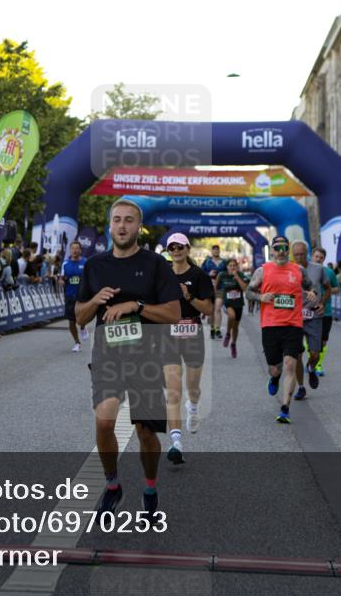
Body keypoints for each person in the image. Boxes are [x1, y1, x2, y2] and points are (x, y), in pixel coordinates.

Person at [75, 199, 180, 521]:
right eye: (117, 220)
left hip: (146, 359)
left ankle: (149, 486)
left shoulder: (155, 265)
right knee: (104, 421)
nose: (122, 226)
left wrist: (136, 305)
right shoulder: (94, 266)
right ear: (110, 225)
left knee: (145, 433)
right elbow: (80, 317)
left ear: (139, 226)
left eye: (129, 220)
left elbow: (173, 313)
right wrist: (94, 300)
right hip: (108, 357)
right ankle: (112, 485)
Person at [244, 236, 315, 423]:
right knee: (275, 369)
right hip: (270, 326)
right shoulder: (262, 271)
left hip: (293, 325)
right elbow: (248, 292)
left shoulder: (298, 270)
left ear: (288, 249)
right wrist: (261, 297)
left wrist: (313, 294)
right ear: (272, 250)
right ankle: (274, 379)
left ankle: (285, 408)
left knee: (291, 364)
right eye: (277, 248)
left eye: (284, 247)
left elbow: (311, 286)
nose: (281, 251)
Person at [162, 233, 214, 464]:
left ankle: (193, 407)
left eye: (180, 246)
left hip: (193, 334)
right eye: (172, 247)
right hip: (169, 336)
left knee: (192, 387)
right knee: (173, 390)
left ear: (187, 248)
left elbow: (209, 309)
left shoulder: (198, 275)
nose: (176, 250)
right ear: (168, 250)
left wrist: (189, 297)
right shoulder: (162, 275)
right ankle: (175, 442)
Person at [291, 240, 328, 399]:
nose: (299, 257)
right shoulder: (289, 269)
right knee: (297, 354)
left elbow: (328, 288)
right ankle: (300, 387)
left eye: (302, 254)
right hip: (295, 317)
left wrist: (322, 303)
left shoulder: (318, 269)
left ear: (307, 253)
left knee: (315, 353)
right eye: (296, 254)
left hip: (314, 316)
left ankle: (311, 368)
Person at [311, 246, 339, 377]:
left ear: (324, 259)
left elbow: (336, 288)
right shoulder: (305, 271)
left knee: (323, 341)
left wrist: (326, 290)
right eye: (316, 256)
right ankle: (313, 361)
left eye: (321, 258)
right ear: (312, 256)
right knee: (310, 340)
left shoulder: (329, 272)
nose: (318, 259)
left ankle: (317, 364)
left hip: (325, 311)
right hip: (308, 311)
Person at [215, 258, 248, 358]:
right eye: (230, 265)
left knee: (236, 327)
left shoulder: (241, 275)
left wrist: (237, 277)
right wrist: (218, 296)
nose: (232, 267)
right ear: (227, 267)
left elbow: (244, 289)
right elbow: (216, 286)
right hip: (227, 302)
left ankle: (233, 344)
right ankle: (228, 334)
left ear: (237, 267)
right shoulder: (222, 275)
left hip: (238, 304)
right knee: (231, 316)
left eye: (234, 265)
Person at [62, 241, 89, 352]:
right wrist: (61, 281)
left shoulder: (86, 262)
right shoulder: (65, 264)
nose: (75, 250)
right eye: (73, 248)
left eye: (77, 248)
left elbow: (90, 278)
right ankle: (77, 343)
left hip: (82, 296)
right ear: (70, 250)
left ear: (80, 250)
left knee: (81, 318)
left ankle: (83, 326)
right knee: (72, 321)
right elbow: (62, 277)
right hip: (70, 296)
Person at [201, 244, 227, 339]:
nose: (216, 251)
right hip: (209, 288)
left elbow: (229, 273)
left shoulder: (224, 262)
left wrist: (222, 275)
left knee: (218, 308)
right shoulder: (207, 262)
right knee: (211, 311)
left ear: (219, 251)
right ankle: (212, 328)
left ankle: (217, 329)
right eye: (214, 250)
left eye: (217, 250)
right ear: (211, 251)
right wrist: (209, 274)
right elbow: (200, 273)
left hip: (220, 288)